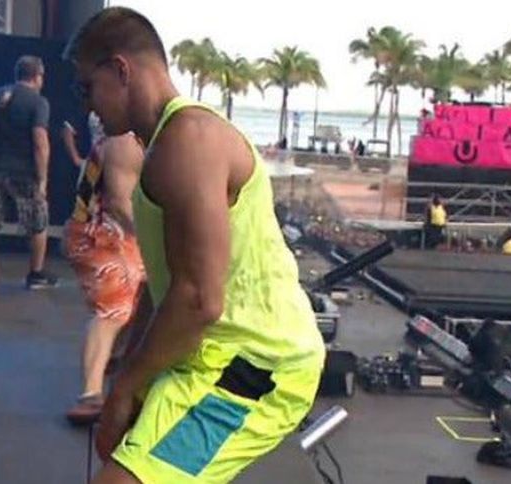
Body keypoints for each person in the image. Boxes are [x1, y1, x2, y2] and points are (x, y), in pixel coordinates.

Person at [64, 7, 325, 483]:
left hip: (254, 365)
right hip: (204, 353)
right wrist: (129, 371)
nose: (88, 107)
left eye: (88, 88)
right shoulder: (161, 145)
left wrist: (123, 391)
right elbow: (162, 281)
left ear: (120, 70)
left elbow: (200, 298)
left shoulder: (189, 140)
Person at [61, 113, 146, 424]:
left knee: (141, 298)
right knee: (113, 310)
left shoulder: (130, 141)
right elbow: (121, 204)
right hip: (97, 235)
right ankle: (90, 394)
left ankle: (114, 359)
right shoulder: (124, 143)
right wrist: (156, 241)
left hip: (116, 235)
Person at [0, 55, 58, 289]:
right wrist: (43, 179)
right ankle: (36, 274)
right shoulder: (38, 102)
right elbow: (40, 141)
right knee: (38, 222)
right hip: (25, 173)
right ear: (38, 76)